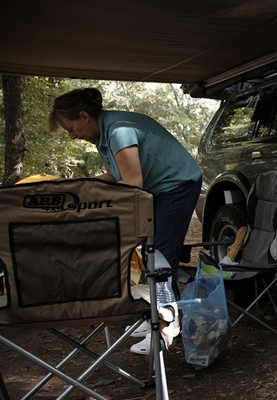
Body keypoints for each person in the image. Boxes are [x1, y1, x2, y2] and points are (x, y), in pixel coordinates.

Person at [49, 87, 201, 354]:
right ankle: (156, 313)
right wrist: (78, 185)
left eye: (71, 128)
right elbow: (113, 175)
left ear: (84, 116)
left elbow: (132, 183)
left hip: (178, 184)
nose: (72, 135)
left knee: (162, 254)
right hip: (158, 189)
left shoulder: (118, 131)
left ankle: (166, 324)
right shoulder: (102, 135)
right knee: (149, 251)